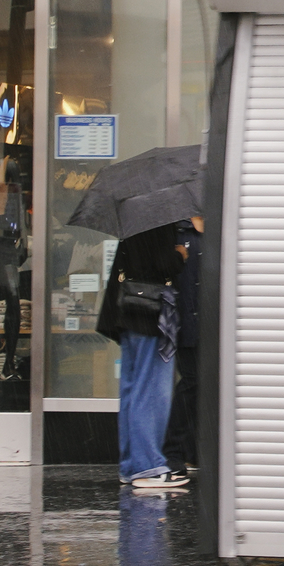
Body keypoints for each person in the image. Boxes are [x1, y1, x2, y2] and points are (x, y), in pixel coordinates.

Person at [100, 209, 199, 494]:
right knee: (151, 390)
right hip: (150, 312)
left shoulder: (133, 220)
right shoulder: (157, 219)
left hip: (129, 310)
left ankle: (131, 465)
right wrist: (179, 254)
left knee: (132, 389)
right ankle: (149, 467)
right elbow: (160, 263)